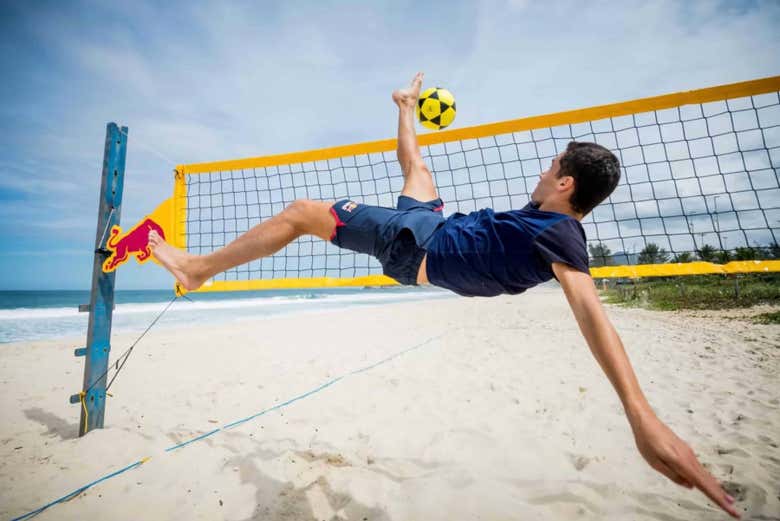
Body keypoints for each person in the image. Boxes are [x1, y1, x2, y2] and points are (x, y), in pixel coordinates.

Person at [149, 73, 740, 518]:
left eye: (551, 164)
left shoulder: (562, 234)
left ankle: (198, 269)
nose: (542, 167)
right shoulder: (547, 220)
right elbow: (417, 163)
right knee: (418, 170)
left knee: (305, 211)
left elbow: (592, 317)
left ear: (565, 183)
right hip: (434, 227)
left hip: (416, 244)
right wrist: (407, 110)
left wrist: (641, 415)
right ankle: (406, 109)